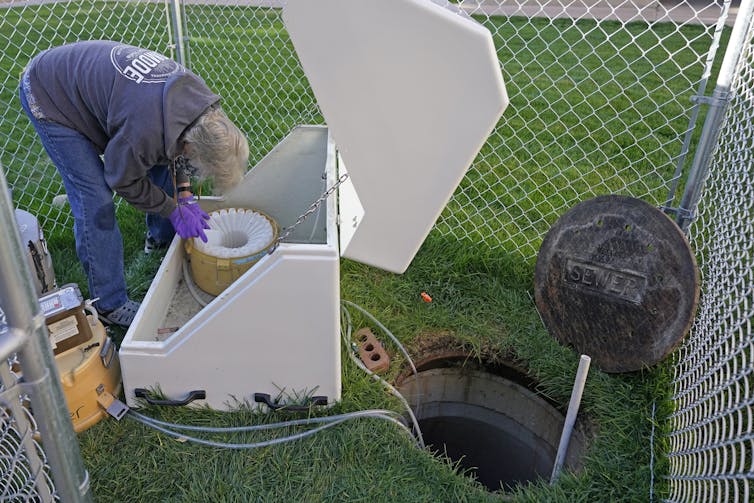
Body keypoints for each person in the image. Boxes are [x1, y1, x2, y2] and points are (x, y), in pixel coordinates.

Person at [19, 40, 249, 327]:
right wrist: (172, 209)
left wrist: (186, 195)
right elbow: (123, 180)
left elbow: (179, 152)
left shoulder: (202, 109)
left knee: (161, 160)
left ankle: (160, 238)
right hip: (50, 93)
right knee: (95, 198)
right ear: (191, 144)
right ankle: (108, 303)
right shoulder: (142, 132)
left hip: (93, 82)